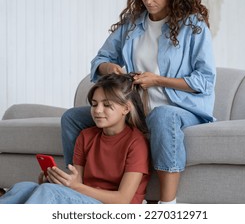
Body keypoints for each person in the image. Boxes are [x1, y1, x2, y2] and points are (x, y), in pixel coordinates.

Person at [61, 0, 216, 204]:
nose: (148, 0)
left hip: (182, 110)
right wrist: (109, 68)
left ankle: (167, 207)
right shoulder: (133, 24)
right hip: (139, 108)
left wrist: (158, 80)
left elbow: (205, 80)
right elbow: (99, 60)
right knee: (71, 118)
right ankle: (72, 186)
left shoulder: (193, 26)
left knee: (162, 116)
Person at [0, 73, 150, 204]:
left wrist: (74, 187)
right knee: (23, 188)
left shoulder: (136, 143)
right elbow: (76, 182)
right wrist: (56, 181)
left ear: (126, 108)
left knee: (48, 192)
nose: (97, 111)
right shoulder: (86, 136)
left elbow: (122, 200)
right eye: (94, 104)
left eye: (107, 105)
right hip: (83, 198)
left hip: (111, 208)